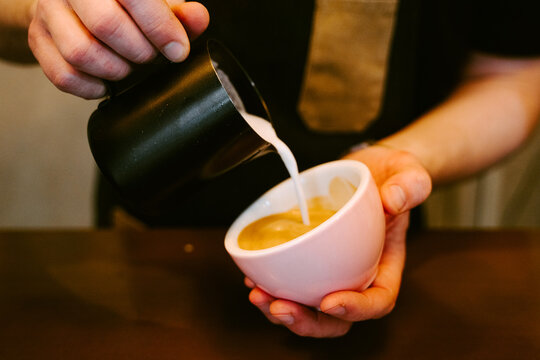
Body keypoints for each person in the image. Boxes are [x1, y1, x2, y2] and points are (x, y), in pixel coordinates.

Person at [3, 0, 540, 338]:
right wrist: (39, 13)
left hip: (379, 239)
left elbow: (513, 71)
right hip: (150, 255)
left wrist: (403, 162)